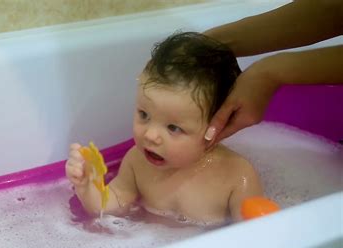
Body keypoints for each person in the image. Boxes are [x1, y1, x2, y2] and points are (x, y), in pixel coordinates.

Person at [66, 32, 263, 226]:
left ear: (219, 127)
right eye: (144, 115)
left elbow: (254, 238)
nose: (150, 135)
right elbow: (111, 206)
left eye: (173, 128)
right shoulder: (137, 161)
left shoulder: (236, 177)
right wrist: (87, 187)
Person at [202, 0, 343, 146]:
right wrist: (204, 45)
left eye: (176, 128)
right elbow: (332, 8)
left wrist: (270, 74)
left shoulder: (237, 166)